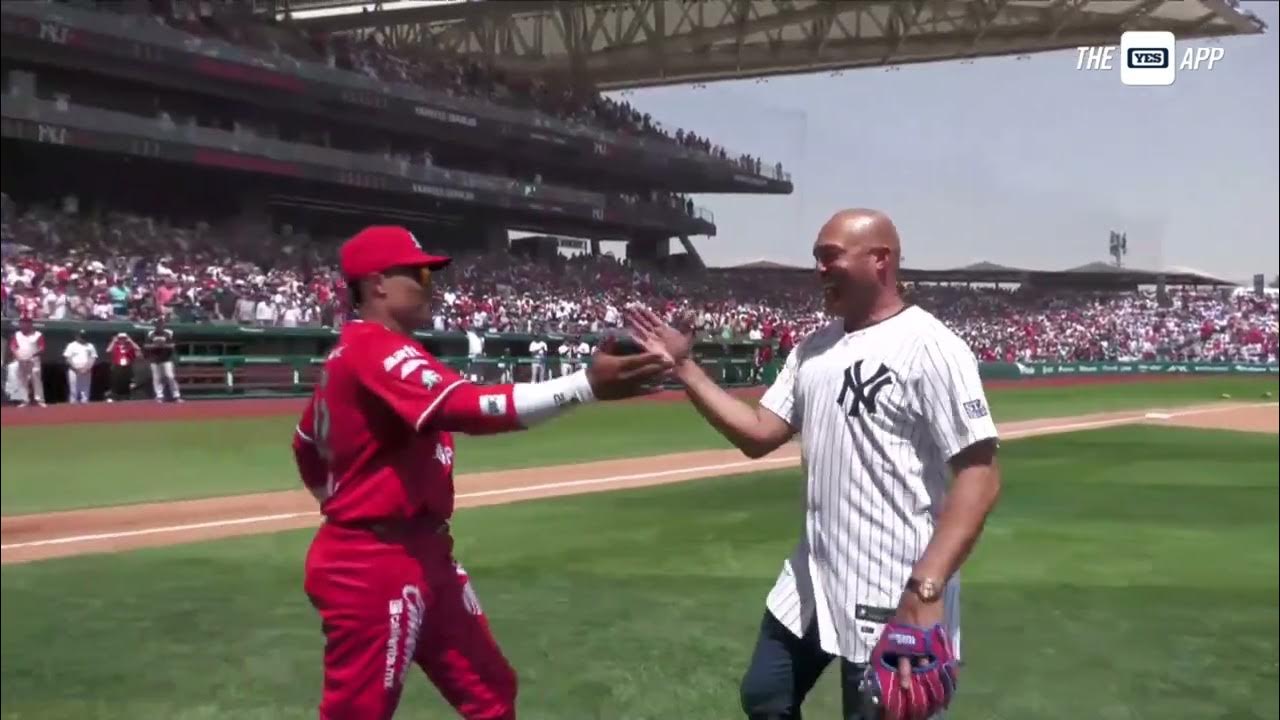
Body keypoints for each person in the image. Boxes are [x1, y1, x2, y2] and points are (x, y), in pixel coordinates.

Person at [627, 209, 1003, 720]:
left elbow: (980, 477)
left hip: (893, 587)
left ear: (880, 260)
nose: (819, 270)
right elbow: (760, 433)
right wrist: (685, 367)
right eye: (817, 259)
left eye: (830, 257)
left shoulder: (932, 347)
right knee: (766, 695)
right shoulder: (814, 348)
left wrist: (927, 587)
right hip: (812, 577)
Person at [290, 225, 672, 720]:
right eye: (421, 273)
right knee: (358, 713)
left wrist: (341, 498)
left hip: (422, 550)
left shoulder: (366, 352)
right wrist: (583, 386)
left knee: (490, 690)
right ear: (378, 283)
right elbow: (469, 408)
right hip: (372, 562)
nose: (432, 285)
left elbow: (305, 446)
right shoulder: (372, 349)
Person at [144, 318, 182, 403]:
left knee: (170, 376)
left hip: (166, 359)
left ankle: (176, 396)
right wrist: (156, 346)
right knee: (157, 378)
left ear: (163, 324)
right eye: (157, 324)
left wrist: (162, 345)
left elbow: (172, 345)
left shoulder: (168, 333)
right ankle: (159, 396)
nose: (158, 325)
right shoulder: (151, 334)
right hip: (154, 359)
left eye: (160, 323)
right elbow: (146, 346)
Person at [63, 329, 98, 404]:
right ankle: (73, 410)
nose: (82, 338)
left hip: (86, 369)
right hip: (74, 370)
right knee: (74, 391)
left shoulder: (90, 346)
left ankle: (84, 411)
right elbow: (67, 358)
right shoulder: (71, 345)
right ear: (77, 336)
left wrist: (87, 368)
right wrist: (75, 368)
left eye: (84, 336)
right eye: (81, 336)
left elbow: (93, 358)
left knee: (85, 392)